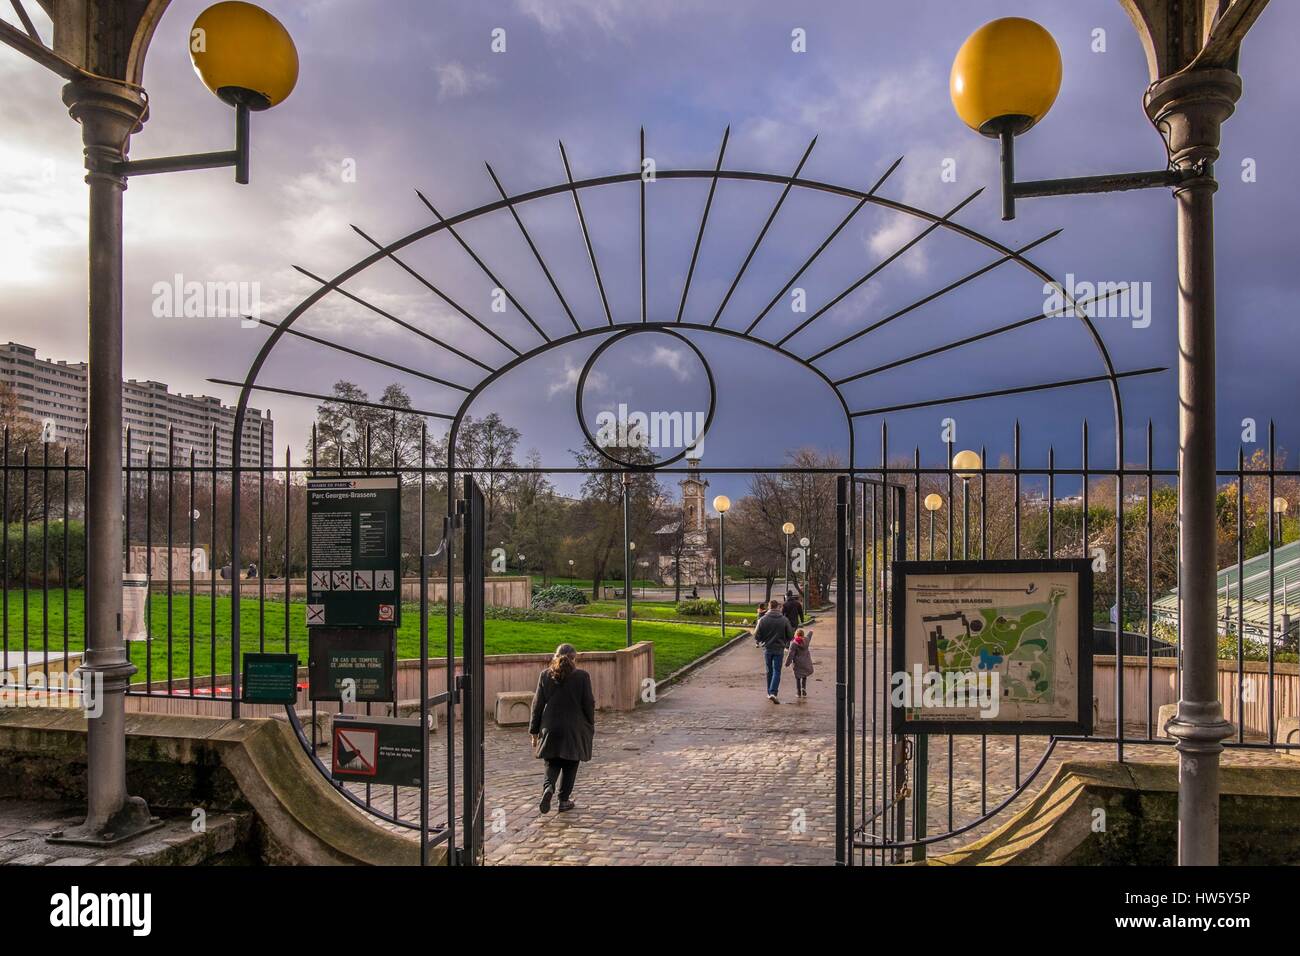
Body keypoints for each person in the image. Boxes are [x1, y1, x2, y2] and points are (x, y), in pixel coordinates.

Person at [529, 643, 595, 813]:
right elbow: (588, 703)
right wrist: (590, 724)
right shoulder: (582, 676)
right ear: (574, 658)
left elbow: (537, 705)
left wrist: (534, 731)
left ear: (554, 656)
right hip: (574, 727)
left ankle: (548, 788)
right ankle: (563, 800)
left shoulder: (545, 675)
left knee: (552, 762)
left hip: (550, 727)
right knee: (570, 764)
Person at [753, 598, 794, 703]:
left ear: (769, 607)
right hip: (779, 648)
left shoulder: (762, 620)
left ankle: (769, 692)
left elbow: (756, 635)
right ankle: (773, 692)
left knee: (769, 670)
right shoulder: (784, 620)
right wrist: (784, 641)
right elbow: (790, 635)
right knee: (777, 671)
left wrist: (762, 640)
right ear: (777, 607)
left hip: (767, 648)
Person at [785, 629, 814, 699]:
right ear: (803, 635)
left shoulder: (794, 643)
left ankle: (798, 692)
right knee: (804, 676)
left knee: (798, 678)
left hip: (797, 663)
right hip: (806, 661)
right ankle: (803, 688)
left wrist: (787, 663)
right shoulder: (806, 640)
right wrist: (811, 631)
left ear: (796, 635)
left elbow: (791, 654)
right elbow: (809, 636)